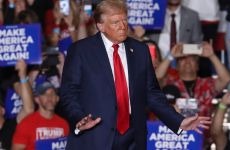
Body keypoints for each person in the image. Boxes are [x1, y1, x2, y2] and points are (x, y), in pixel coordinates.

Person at [60, 0, 211, 150]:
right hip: (93, 137)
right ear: (101, 26)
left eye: (125, 20)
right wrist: (79, 118)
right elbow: (68, 93)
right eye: (115, 22)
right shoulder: (81, 51)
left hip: (133, 139)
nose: (123, 26)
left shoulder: (140, 50)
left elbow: (152, 93)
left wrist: (178, 121)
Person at [12, 82, 69, 150]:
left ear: (57, 98)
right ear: (37, 99)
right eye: (44, 94)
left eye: (52, 94)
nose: (49, 98)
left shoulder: (64, 124)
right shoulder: (26, 124)